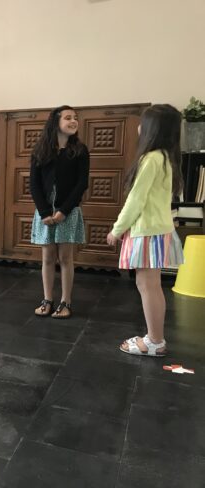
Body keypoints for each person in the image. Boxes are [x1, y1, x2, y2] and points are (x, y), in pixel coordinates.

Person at [107, 104, 184, 357]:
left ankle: (154, 341)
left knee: (147, 285)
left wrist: (117, 230)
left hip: (147, 231)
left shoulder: (150, 159)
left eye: (143, 122)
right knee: (151, 285)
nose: (139, 126)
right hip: (159, 230)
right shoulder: (165, 157)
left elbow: (135, 201)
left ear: (153, 129)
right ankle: (154, 338)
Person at [30, 105, 90, 318]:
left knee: (65, 258)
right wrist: (44, 212)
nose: (73, 121)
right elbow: (34, 184)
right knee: (47, 258)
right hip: (45, 212)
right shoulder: (40, 150)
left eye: (75, 118)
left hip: (68, 211)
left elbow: (82, 183)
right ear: (56, 122)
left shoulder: (80, 150)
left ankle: (66, 302)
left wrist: (64, 210)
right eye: (68, 118)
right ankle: (47, 299)